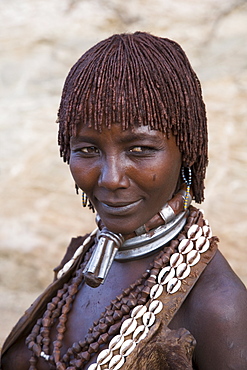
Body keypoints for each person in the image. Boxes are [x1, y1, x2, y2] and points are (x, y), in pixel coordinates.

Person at [1, 31, 246, 370]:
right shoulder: (84, 258)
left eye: (140, 149)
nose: (110, 178)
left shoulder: (219, 308)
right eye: (87, 149)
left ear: (187, 150)